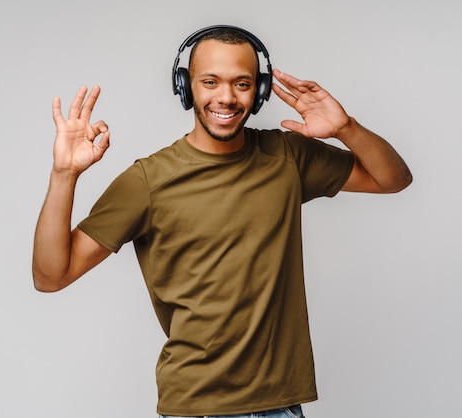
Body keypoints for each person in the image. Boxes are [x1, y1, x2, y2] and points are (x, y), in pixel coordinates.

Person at [31, 25, 412, 418]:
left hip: (281, 406)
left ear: (259, 91)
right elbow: (51, 276)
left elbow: (393, 179)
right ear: (186, 87)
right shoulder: (148, 181)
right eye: (210, 81)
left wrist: (346, 128)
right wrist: (64, 175)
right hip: (196, 408)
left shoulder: (288, 157)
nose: (226, 97)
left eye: (242, 83)